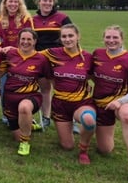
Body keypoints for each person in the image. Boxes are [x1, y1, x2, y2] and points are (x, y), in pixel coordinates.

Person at [92, 25, 128, 183]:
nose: (111, 40)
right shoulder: (97, 54)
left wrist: (119, 101)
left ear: (122, 39)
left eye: (115, 37)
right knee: (105, 149)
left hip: (124, 102)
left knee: (127, 116)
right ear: (103, 39)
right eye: (108, 37)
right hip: (102, 104)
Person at [41, 24, 96, 160]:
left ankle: (83, 149)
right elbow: (29, 54)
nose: (67, 39)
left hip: (81, 103)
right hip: (60, 104)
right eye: (64, 36)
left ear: (78, 36)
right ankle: (69, 126)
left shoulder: (88, 57)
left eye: (71, 35)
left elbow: (95, 78)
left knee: (89, 120)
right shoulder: (52, 53)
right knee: (67, 146)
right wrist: (8, 49)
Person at [2, 28, 50, 156]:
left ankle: (25, 143)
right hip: (10, 100)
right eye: (23, 39)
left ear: (35, 41)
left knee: (24, 108)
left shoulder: (41, 59)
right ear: (18, 40)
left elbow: (45, 87)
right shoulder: (10, 53)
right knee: (17, 136)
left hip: (31, 97)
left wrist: (47, 111)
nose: (25, 42)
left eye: (29, 39)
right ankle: (30, 125)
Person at [32, 0, 73, 130]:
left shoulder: (62, 18)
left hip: (59, 60)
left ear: (53, 2)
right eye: (45, 0)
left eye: (50, 1)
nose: (47, 3)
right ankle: (46, 117)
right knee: (45, 89)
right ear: (39, 2)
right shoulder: (32, 20)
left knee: (63, 90)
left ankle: (70, 119)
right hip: (40, 60)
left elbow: (71, 37)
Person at [0, 0, 33, 126]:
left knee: (21, 88)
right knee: (4, 87)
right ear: (5, 4)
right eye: (10, 1)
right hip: (5, 59)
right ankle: (7, 116)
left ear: (19, 4)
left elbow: (30, 39)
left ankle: (23, 113)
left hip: (22, 58)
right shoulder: (0, 18)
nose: (13, 4)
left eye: (16, 2)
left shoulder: (26, 18)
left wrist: (15, 49)